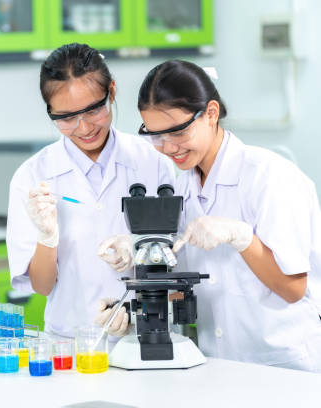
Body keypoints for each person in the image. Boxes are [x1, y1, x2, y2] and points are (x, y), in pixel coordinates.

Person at [98, 59, 321, 372]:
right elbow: (186, 286)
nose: (167, 147)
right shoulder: (184, 187)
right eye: (155, 135)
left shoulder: (269, 177)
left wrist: (243, 237)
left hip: (282, 364)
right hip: (218, 363)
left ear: (211, 114)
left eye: (177, 131)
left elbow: (293, 288)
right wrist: (129, 305)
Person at [6, 43, 174, 339]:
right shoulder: (32, 176)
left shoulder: (154, 161)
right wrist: (47, 238)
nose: (84, 128)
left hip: (145, 336)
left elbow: (178, 264)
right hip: (70, 344)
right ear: (50, 112)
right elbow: (42, 286)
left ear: (111, 92)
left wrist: (141, 251)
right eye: (67, 117)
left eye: (94, 109)